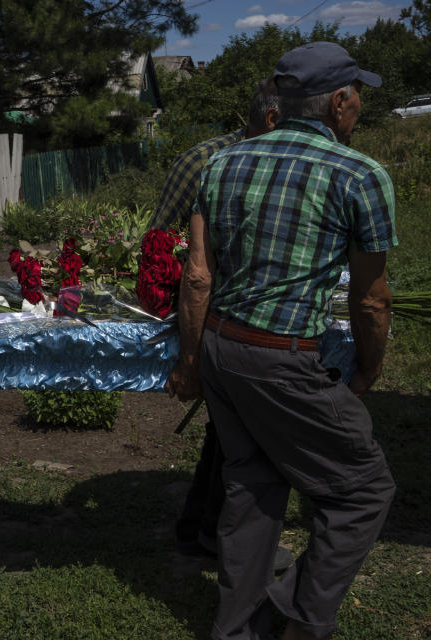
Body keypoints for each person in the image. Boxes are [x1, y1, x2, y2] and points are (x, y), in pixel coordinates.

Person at [166, 42, 397, 640]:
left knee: (252, 485)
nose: (359, 107)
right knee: (363, 491)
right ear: (339, 101)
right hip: (280, 357)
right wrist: (368, 370)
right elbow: (371, 299)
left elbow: (198, 278)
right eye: (358, 95)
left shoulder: (223, 163)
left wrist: (192, 362)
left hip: (221, 347)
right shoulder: (359, 174)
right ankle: (300, 620)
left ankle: (237, 629)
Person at [155, 78, 292, 573]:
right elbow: (165, 246)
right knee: (244, 436)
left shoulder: (284, 163)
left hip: (237, 318)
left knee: (228, 432)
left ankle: (199, 531)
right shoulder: (205, 162)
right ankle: (214, 536)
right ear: (274, 119)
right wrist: (188, 352)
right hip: (219, 319)